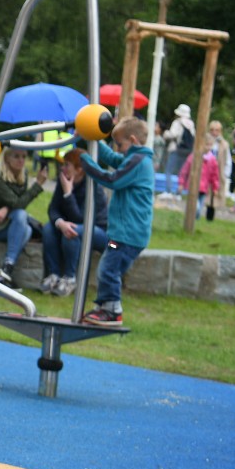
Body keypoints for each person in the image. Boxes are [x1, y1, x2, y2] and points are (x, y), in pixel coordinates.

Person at [79, 116, 154, 326]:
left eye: (120, 144)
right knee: (108, 266)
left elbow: (113, 180)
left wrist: (87, 163)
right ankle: (105, 306)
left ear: (133, 140)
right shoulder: (135, 158)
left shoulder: (138, 162)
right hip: (123, 234)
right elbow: (113, 159)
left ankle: (113, 310)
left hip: (127, 235)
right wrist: (93, 139)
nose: (118, 149)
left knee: (108, 269)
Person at [0, 146, 48, 288]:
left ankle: (6, 270)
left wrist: (6, 209)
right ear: (7, 158)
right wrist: (37, 185)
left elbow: (18, 201)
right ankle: (7, 268)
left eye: (24, 156)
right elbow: (19, 204)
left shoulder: (22, 174)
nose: (21, 160)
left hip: (4, 220)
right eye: (16, 156)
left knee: (27, 230)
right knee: (21, 216)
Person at [40, 148, 108, 297]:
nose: (62, 168)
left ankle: (70, 278)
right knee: (48, 229)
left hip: (100, 233)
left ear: (79, 169)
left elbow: (81, 218)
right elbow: (53, 209)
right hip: (71, 225)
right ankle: (54, 275)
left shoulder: (93, 187)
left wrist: (68, 194)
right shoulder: (63, 180)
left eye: (67, 165)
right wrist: (59, 223)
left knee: (72, 232)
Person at [161, 103, 195, 197]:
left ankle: (168, 191)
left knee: (169, 170)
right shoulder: (191, 123)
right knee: (182, 171)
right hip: (187, 151)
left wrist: (166, 134)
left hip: (176, 149)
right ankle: (179, 193)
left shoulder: (177, 122)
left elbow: (173, 134)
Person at [178, 147, 221, 221]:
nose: (208, 147)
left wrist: (215, 188)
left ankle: (194, 221)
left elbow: (215, 176)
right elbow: (185, 170)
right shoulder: (193, 156)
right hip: (193, 187)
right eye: (206, 144)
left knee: (199, 208)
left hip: (204, 188)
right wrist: (181, 183)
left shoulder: (212, 159)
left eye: (210, 145)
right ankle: (191, 220)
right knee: (196, 207)